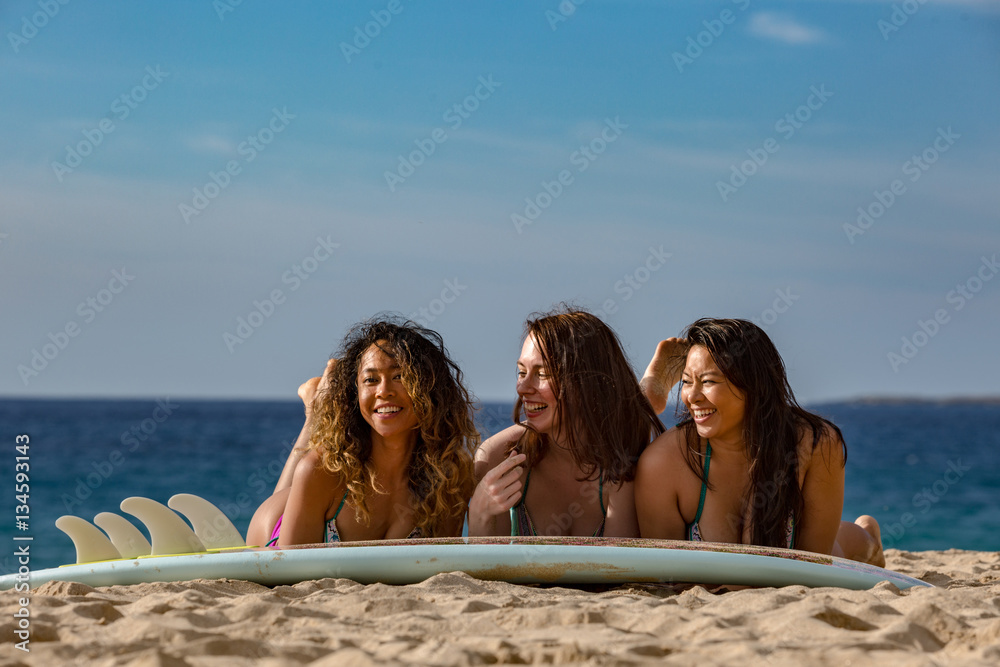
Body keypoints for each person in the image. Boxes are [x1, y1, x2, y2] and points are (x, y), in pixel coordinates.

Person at [635, 318, 885, 566]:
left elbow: (815, 563)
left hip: (807, 553)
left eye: (709, 381)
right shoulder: (663, 462)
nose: (692, 397)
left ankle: (868, 534)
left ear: (753, 385)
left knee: (847, 545)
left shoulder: (814, 443)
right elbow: (666, 573)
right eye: (687, 381)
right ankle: (648, 392)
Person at [246, 317, 478, 547]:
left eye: (399, 376)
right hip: (274, 534)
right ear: (355, 394)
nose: (383, 391)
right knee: (306, 466)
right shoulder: (321, 470)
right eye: (370, 379)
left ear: (431, 388)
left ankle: (319, 405)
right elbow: (287, 570)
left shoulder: (449, 478)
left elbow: (443, 562)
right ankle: (315, 412)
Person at [469, 308, 664, 538]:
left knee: (632, 418)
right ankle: (650, 391)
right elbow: (487, 566)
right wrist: (479, 514)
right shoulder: (497, 459)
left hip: (611, 423)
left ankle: (651, 391)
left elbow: (617, 569)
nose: (522, 388)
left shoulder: (623, 466)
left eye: (542, 374)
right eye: (521, 372)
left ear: (585, 381)